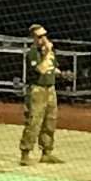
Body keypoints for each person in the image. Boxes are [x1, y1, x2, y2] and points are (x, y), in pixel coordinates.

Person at [20, 24, 69, 166]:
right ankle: (26, 152)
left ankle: (47, 152)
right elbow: (40, 69)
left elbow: (52, 68)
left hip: (50, 89)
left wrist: (62, 74)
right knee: (34, 121)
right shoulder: (33, 53)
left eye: (45, 35)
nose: (44, 39)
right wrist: (47, 53)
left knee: (50, 120)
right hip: (38, 89)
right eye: (40, 36)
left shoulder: (50, 52)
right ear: (34, 38)